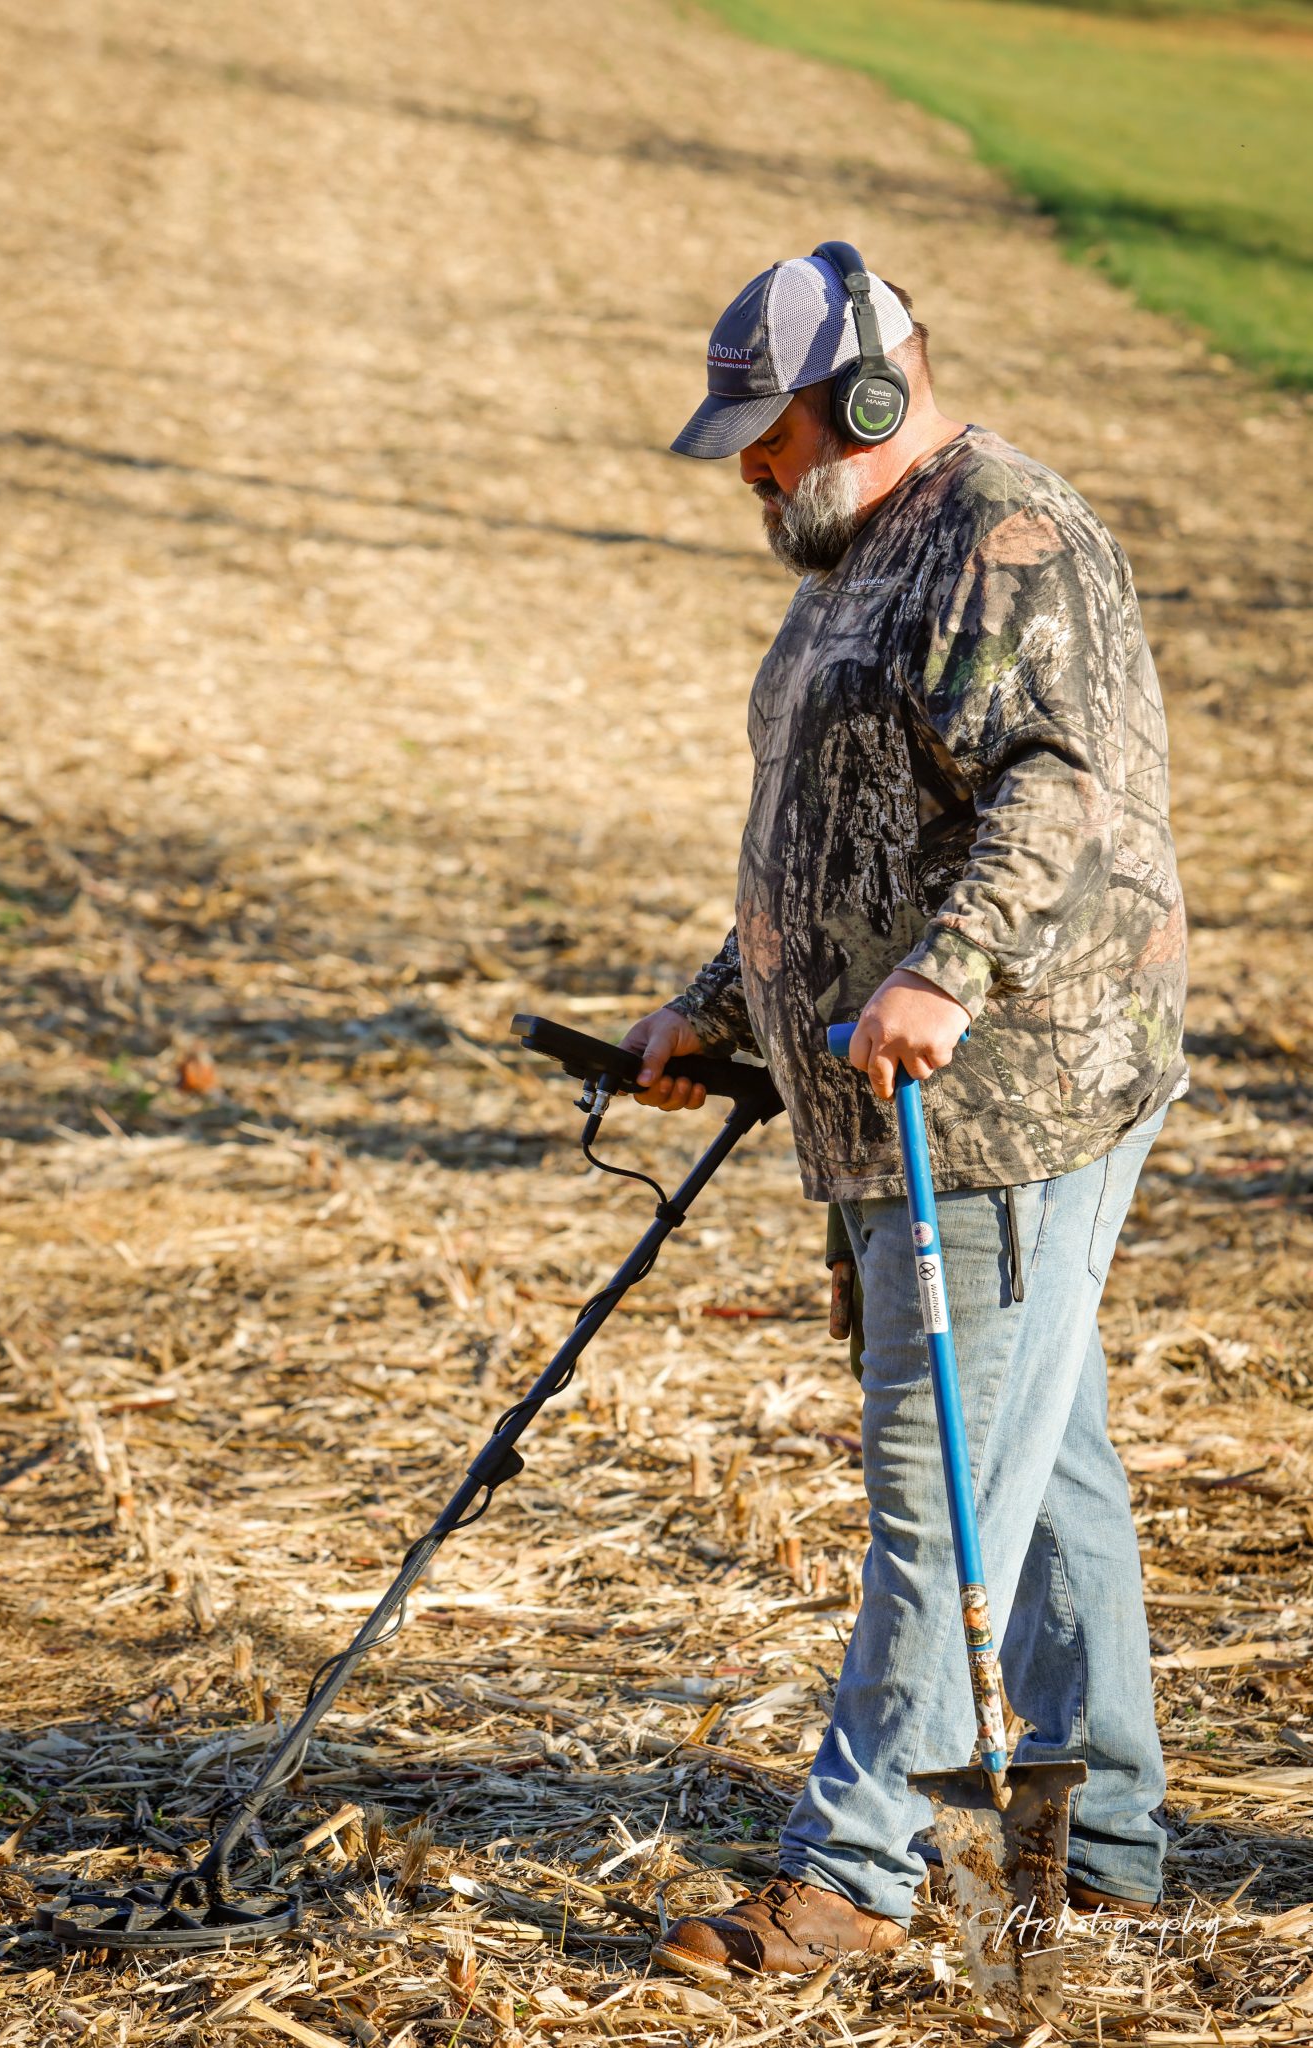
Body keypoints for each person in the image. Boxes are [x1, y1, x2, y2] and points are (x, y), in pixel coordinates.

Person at [624, 243, 1187, 1982]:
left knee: (937, 1492)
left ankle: (854, 1876)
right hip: (893, 1103)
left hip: (1008, 1094)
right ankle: (1098, 1854)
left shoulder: (1013, 537)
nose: (749, 467)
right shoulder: (859, 558)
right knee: (1045, 1462)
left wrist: (944, 975)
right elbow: (843, 839)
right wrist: (714, 1003)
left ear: (867, 397)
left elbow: (1060, 789)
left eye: (767, 430)